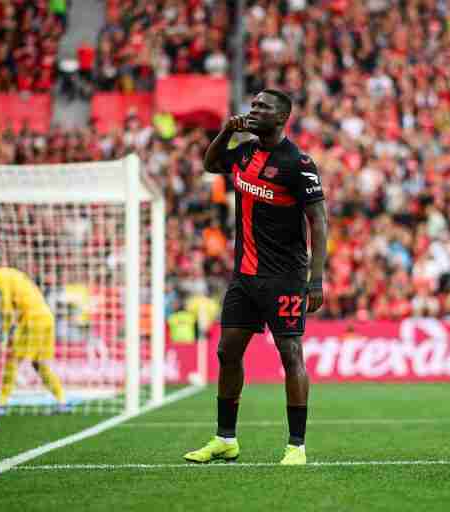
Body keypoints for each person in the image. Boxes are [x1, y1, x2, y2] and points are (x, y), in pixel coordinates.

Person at [183, 89, 328, 466]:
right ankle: (225, 439)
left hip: (286, 277)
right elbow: (211, 164)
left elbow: (319, 221)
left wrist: (316, 280)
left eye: (263, 107)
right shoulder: (245, 150)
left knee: (290, 354)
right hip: (244, 275)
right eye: (254, 104)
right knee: (227, 352)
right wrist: (224, 133)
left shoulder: (299, 163)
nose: (254, 109)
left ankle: (296, 446)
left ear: (281, 118)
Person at [0, 263, 66, 413]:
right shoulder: (12, 272)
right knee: (38, 364)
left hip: (32, 319)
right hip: (46, 317)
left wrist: (6, 331)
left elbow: (6, 307)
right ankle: (62, 401)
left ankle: (1, 404)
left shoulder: (0, 278)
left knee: (12, 361)